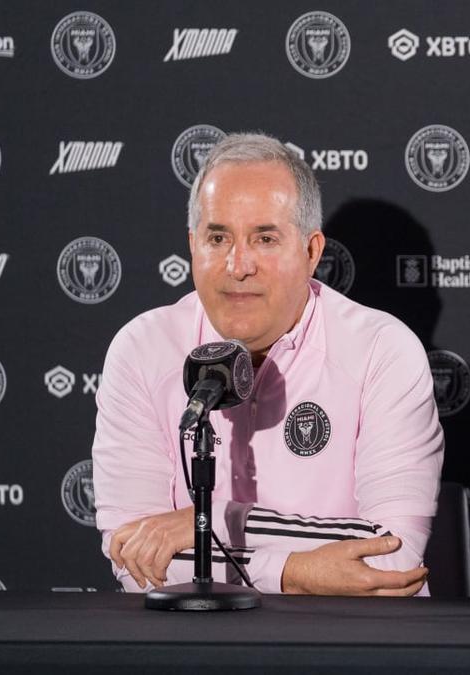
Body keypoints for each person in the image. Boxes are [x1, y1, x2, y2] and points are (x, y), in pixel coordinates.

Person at [92, 133, 443, 596]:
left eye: (265, 238)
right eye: (218, 238)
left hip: (347, 647)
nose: (238, 265)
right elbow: (136, 559)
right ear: (193, 246)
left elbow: (389, 555)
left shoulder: (383, 351)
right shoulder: (142, 349)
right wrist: (295, 572)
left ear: (312, 252)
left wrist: (215, 519)